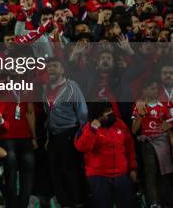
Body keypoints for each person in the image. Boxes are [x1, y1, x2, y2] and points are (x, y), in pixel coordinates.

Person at [42, 59, 88, 208]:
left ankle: (78, 202)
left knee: (71, 170)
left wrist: (81, 134)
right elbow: (48, 114)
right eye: (48, 67)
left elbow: (82, 111)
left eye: (55, 66)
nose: (51, 69)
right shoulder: (45, 88)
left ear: (62, 70)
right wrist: (48, 137)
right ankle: (64, 203)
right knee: (55, 171)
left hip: (70, 132)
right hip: (53, 135)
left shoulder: (72, 86)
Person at [75, 102, 137, 208]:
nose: (109, 113)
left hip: (121, 174)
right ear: (97, 114)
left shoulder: (120, 124)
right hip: (99, 176)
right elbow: (81, 147)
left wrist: (133, 168)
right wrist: (92, 130)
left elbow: (129, 148)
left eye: (110, 110)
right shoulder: (88, 128)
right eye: (105, 111)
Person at [131, 80, 173, 208]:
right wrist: (141, 115)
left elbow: (169, 124)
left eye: (155, 88)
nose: (154, 91)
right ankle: (154, 203)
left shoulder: (164, 105)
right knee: (151, 173)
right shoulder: (139, 106)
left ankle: (168, 201)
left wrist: (169, 125)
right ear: (144, 90)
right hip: (147, 143)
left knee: (165, 173)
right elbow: (133, 130)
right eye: (151, 88)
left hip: (163, 142)